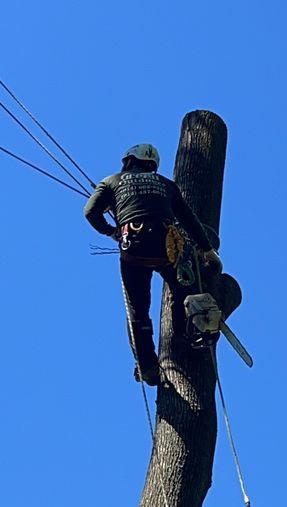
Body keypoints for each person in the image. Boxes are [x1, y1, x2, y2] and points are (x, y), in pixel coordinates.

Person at [84, 143, 220, 385]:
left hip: (133, 249)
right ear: (153, 166)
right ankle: (193, 325)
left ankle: (147, 365)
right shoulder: (167, 185)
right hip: (166, 246)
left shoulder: (111, 182)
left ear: (128, 161)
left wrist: (111, 231)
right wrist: (208, 250)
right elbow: (188, 219)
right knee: (184, 289)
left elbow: (90, 212)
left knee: (138, 310)